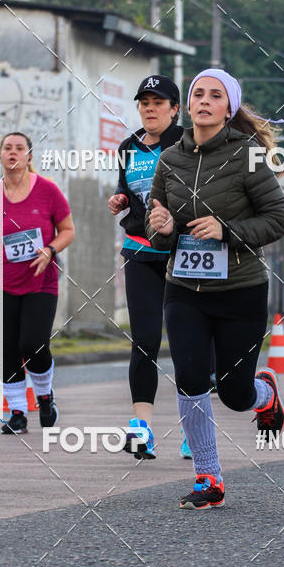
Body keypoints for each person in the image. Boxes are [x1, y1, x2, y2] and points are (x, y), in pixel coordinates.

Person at [146, 67, 284, 510]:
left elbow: (277, 220)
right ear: (187, 106)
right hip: (185, 288)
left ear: (228, 108)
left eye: (215, 95)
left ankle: (264, 394)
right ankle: (209, 476)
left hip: (240, 290)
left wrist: (225, 231)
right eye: (198, 94)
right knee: (189, 377)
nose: (204, 101)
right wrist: (163, 228)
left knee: (234, 393)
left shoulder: (247, 155)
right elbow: (157, 230)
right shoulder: (170, 159)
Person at [107, 75, 191, 459]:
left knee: (190, 345)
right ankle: (141, 430)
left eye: (159, 102)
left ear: (175, 109)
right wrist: (121, 198)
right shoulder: (129, 146)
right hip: (140, 250)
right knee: (144, 340)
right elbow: (129, 189)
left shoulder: (189, 143)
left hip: (183, 252)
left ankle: (195, 430)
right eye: (144, 102)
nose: (150, 108)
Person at [0, 132, 75, 434]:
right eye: (7, 148)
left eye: (20, 148)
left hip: (41, 282)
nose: (13, 153)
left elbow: (67, 229)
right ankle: (17, 413)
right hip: (3, 283)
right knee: (7, 348)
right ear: (0, 155)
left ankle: (44, 396)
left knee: (32, 343)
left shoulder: (47, 190)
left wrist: (50, 249)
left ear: (29, 157)